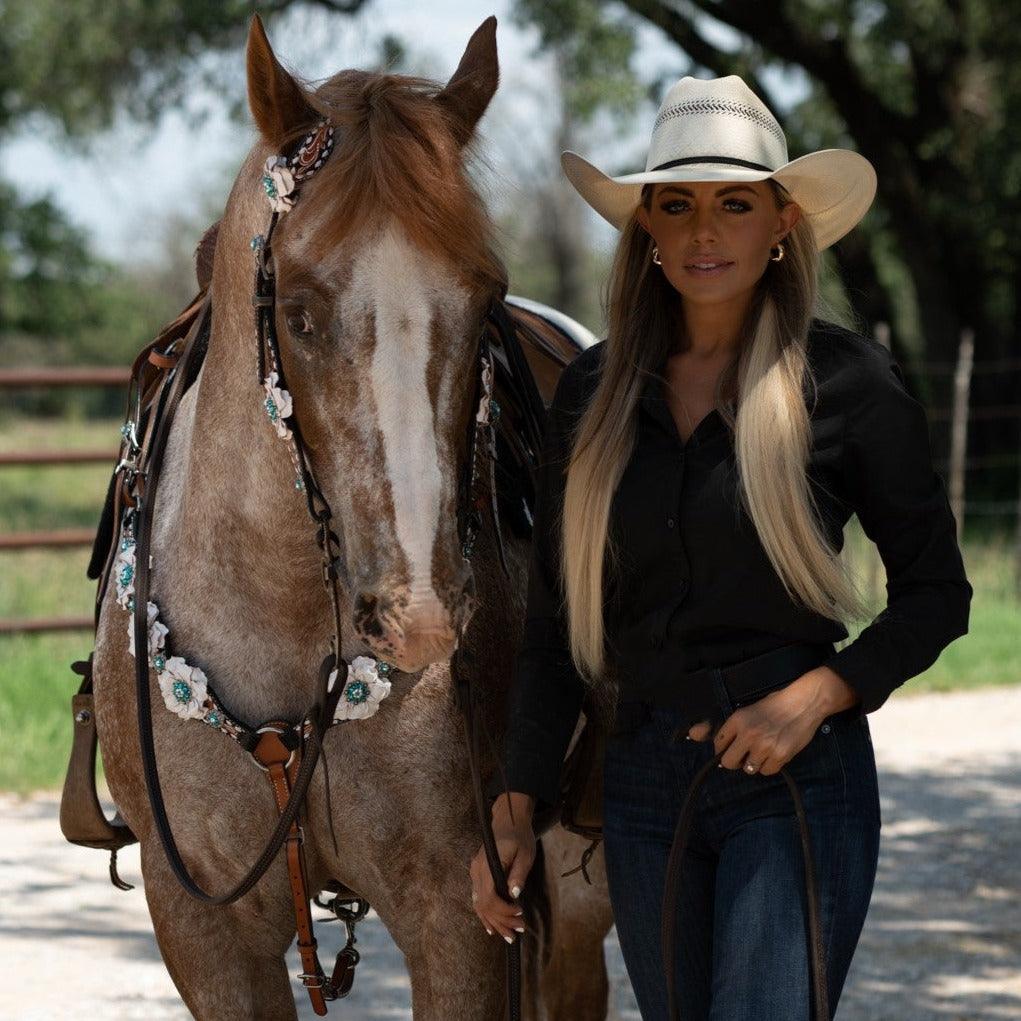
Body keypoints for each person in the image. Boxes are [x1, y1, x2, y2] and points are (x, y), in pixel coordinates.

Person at [468, 74, 972, 1019]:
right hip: (643, 782)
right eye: (677, 204)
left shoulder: (847, 384)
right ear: (646, 226)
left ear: (780, 221)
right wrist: (515, 803)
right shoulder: (591, 394)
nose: (705, 231)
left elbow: (938, 594)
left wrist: (818, 695)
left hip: (796, 778)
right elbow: (553, 631)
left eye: (733, 204)